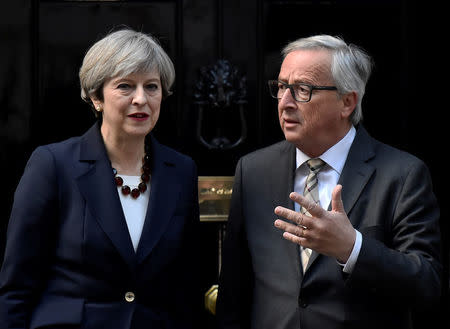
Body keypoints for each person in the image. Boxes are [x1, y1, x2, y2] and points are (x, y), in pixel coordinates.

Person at [216, 34, 442, 329]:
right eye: (282, 87)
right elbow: (235, 291)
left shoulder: (402, 174)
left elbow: (427, 284)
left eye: (302, 89)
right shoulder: (254, 170)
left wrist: (353, 248)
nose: (284, 103)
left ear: (347, 102)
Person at [0, 28, 201, 329]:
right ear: (96, 97)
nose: (141, 99)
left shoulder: (182, 171)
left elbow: (186, 284)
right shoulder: (53, 165)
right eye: (125, 86)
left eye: (151, 86)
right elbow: (17, 285)